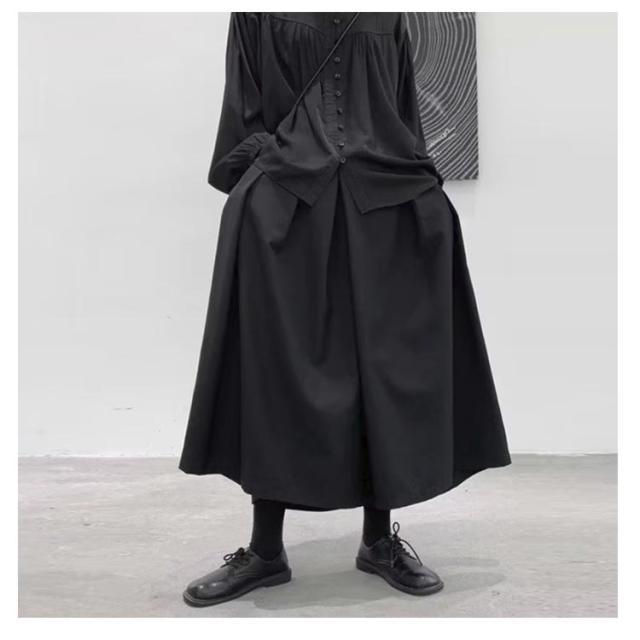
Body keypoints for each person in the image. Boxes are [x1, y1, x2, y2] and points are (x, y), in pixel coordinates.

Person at [179, 12, 511, 607]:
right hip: (287, 206)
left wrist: (423, 189)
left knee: (383, 369)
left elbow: (404, 116)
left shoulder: (387, 14)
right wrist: (265, 178)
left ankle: (378, 541)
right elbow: (243, 112)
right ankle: (265, 551)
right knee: (275, 374)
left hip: (385, 206)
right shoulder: (258, 11)